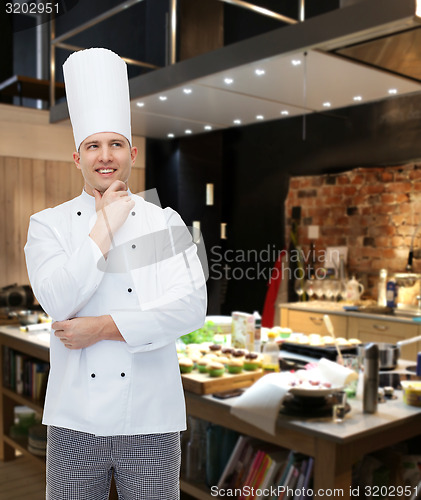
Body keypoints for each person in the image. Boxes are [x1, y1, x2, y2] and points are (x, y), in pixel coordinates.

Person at [24, 48, 207, 500]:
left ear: (132, 151)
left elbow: (190, 308)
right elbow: (58, 301)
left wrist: (102, 329)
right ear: (77, 157)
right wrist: (105, 224)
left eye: (115, 144)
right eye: (93, 146)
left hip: (151, 418)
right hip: (73, 420)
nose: (105, 157)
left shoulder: (164, 221)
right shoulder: (48, 223)